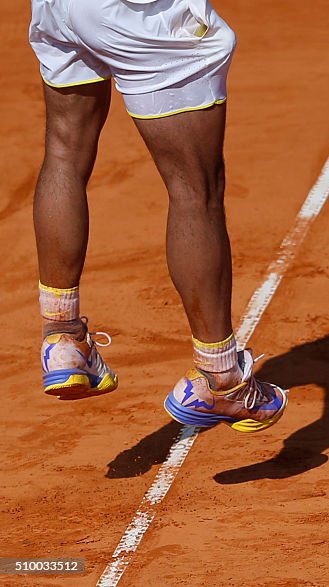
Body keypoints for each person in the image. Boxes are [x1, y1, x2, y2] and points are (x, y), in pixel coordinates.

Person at [30, 0, 287, 432]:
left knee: (64, 152)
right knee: (195, 190)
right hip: (142, 17)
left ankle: (62, 339)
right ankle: (222, 380)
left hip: (60, 8)